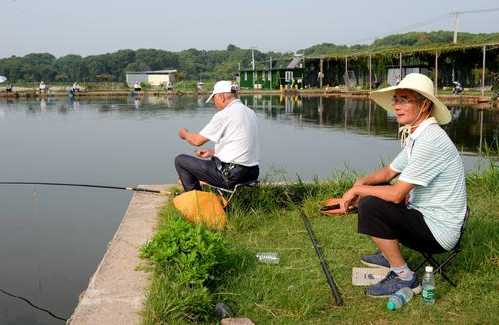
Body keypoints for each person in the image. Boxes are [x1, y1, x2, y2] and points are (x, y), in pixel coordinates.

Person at [341, 73, 467, 297]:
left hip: (439, 232)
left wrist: (358, 191)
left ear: (425, 105)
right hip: (422, 215)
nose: (397, 106)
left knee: (370, 206)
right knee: (372, 197)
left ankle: (405, 277)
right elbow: (390, 171)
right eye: (396, 99)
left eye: (404, 99)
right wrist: (360, 182)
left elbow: (397, 194)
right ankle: (389, 254)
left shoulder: (430, 140)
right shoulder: (418, 134)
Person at [175, 80, 259, 192]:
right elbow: (241, 144)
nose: (214, 103)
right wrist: (213, 153)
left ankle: (197, 203)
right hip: (252, 173)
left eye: (214, 99)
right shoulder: (250, 113)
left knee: (181, 161)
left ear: (222, 96)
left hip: (231, 175)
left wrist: (184, 133)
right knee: (210, 161)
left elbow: (196, 141)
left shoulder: (225, 114)